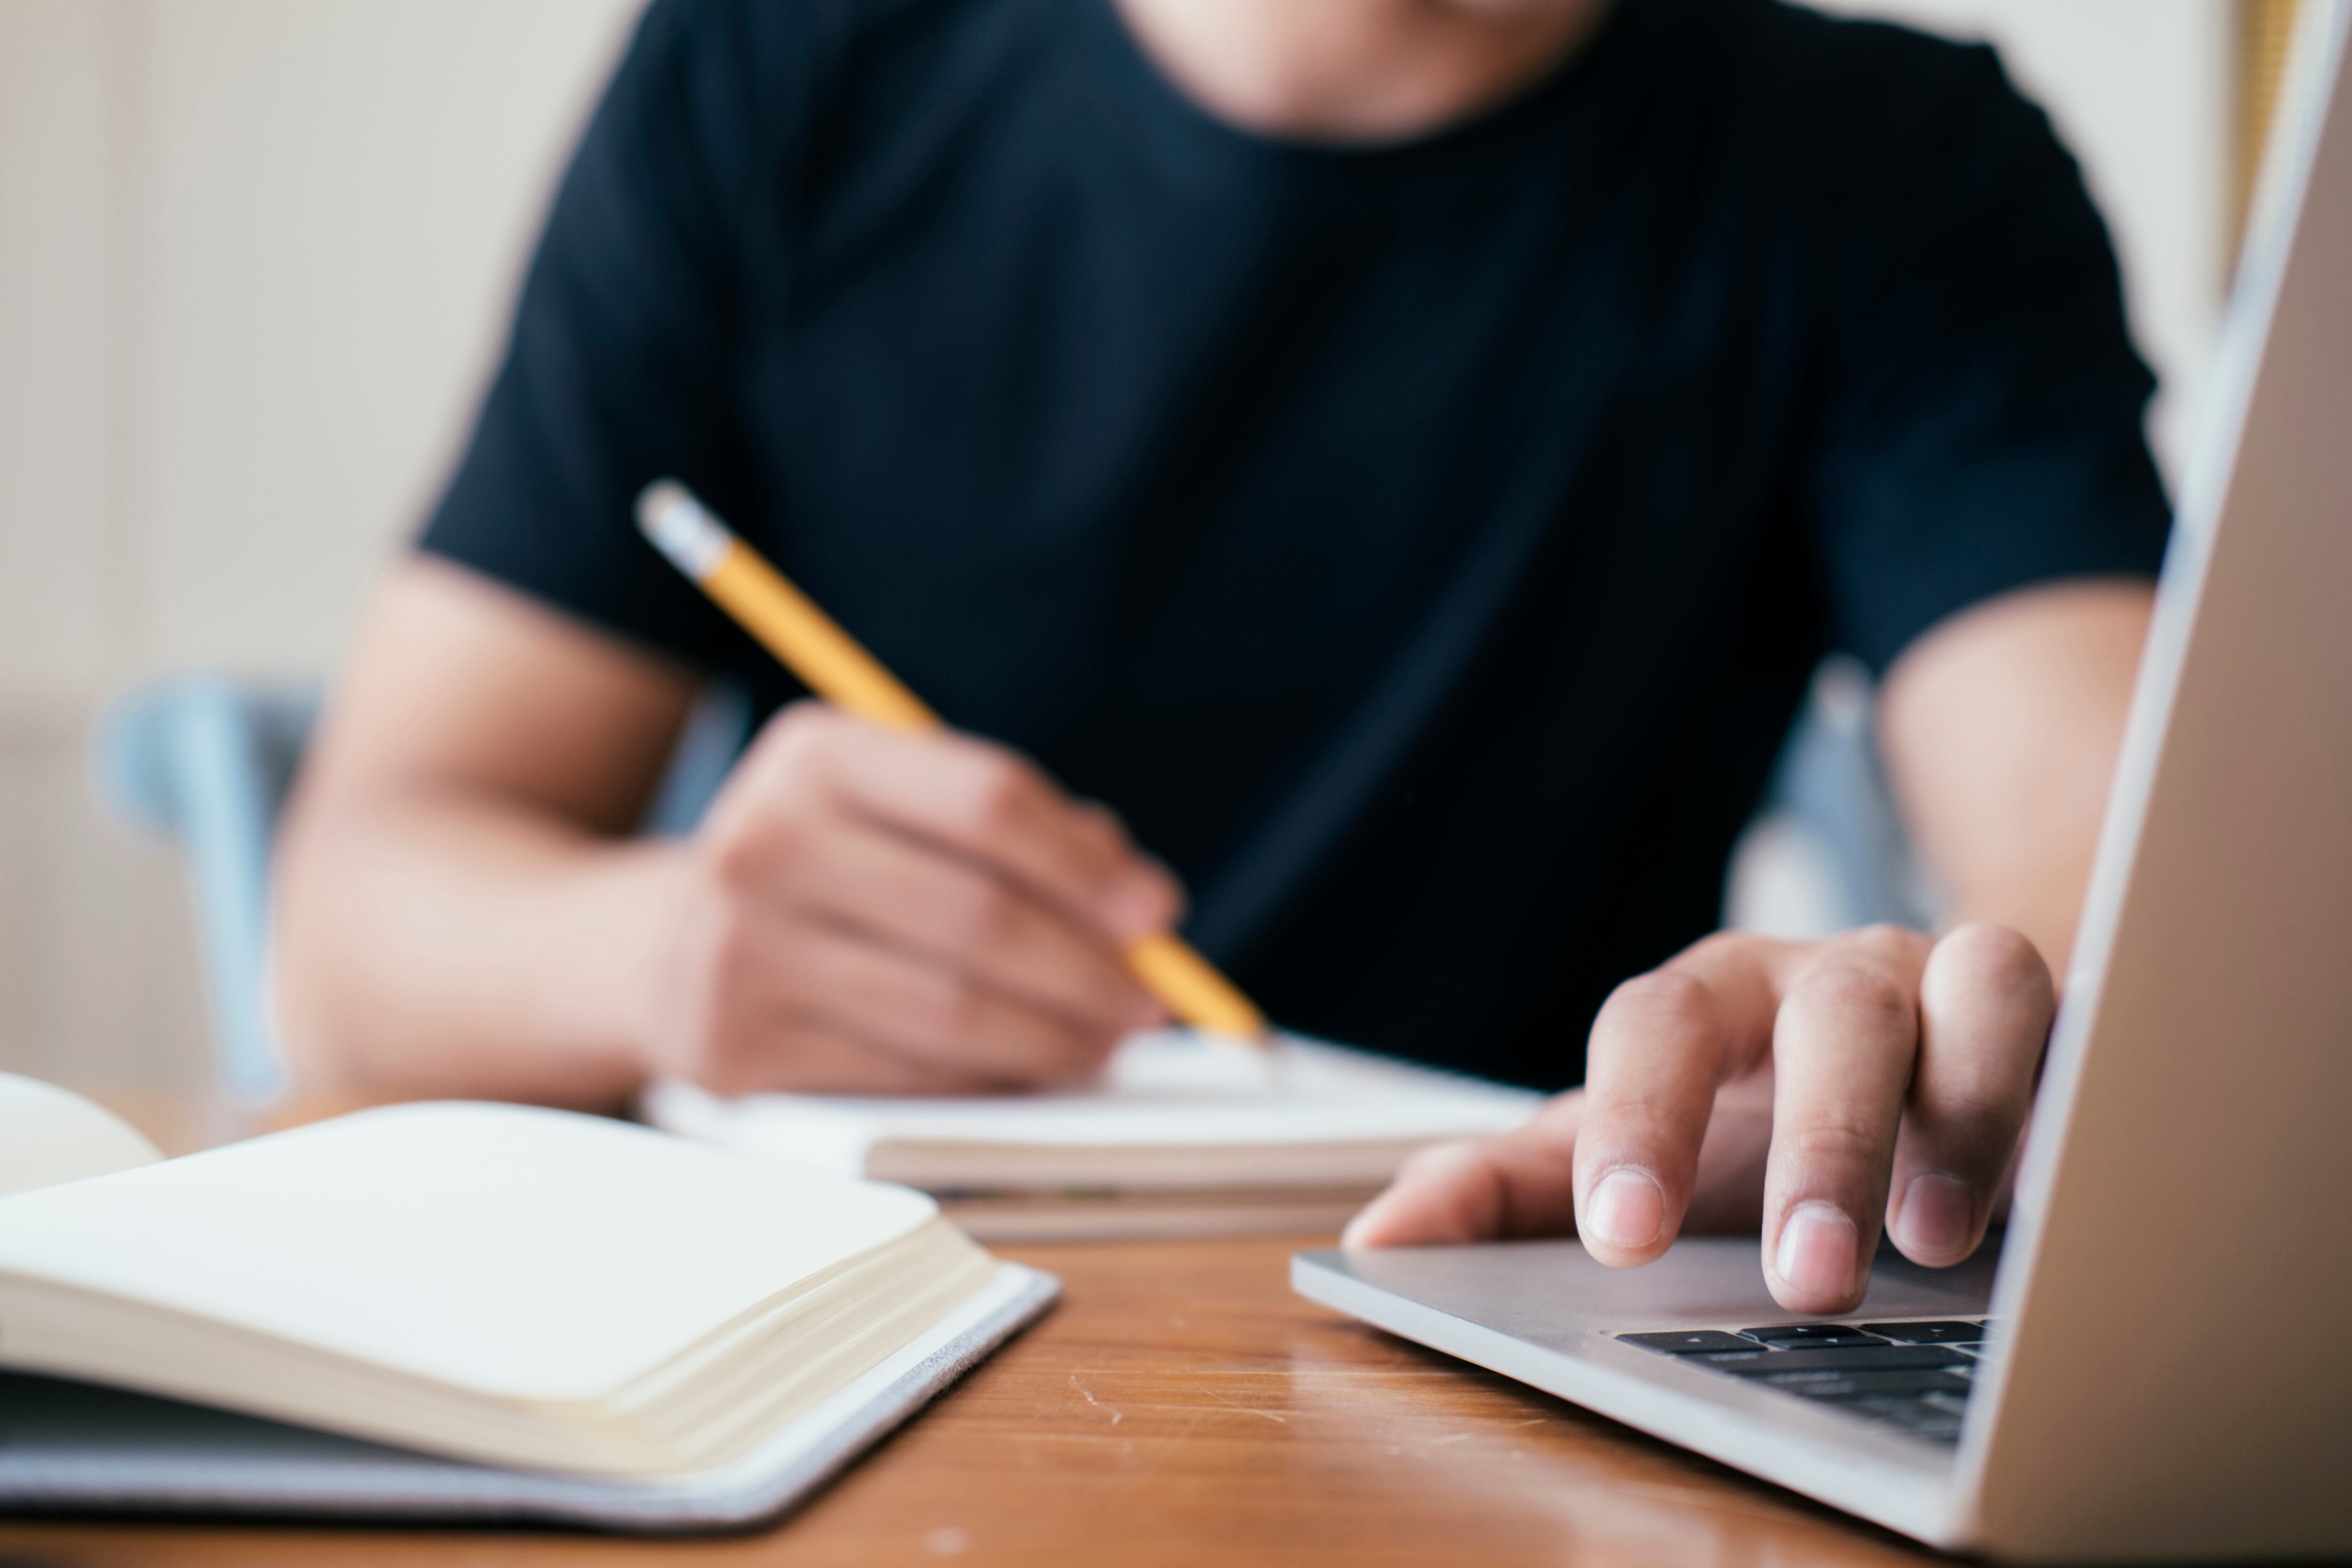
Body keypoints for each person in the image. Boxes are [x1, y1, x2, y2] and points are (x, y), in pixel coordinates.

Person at [274, 0, 2167, 1315]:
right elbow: (351, 924)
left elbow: (2123, 858)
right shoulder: (778, 69)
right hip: (841, 1320)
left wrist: (1916, 1051)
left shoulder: (1896, 169)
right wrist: (658, 954)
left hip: (1512, 1310)